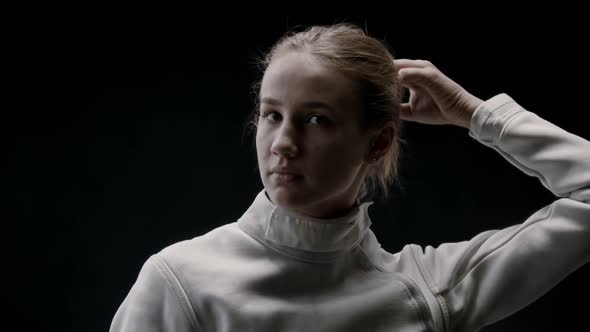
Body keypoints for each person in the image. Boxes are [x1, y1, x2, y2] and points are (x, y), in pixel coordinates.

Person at [109, 23, 590, 331]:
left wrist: (476, 114)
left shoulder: (429, 291)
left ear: (378, 142)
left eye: (316, 119)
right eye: (272, 115)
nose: (282, 143)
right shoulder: (181, 281)